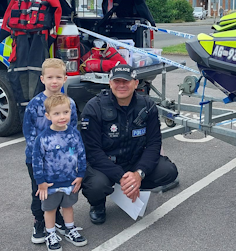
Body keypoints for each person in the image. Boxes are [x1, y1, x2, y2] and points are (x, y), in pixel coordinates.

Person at [80, 64, 178, 224]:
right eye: (116, 81)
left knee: (168, 171)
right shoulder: (94, 107)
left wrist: (139, 174)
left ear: (135, 82)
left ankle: (135, 186)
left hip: (133, 161)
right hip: (104, 165)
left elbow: (154, 144)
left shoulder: (147, 106)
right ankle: (97, 205)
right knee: (96, 185)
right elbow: (92, 151)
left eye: (126, 81)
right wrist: (122, 177)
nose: (121, 85)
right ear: (110, 83)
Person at [23, 58, 78, 244]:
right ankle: (40, 221)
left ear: (65, 78)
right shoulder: (34, 104)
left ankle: (59, 220)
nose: (54, 81)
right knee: (40, 192)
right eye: (50, 77)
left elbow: (74, 131)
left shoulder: (70, 103)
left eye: (58, 77)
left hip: (63, 161)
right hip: (39, 160)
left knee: (61, 191)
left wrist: (72, 158)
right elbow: (29, 133)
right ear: (42, 79)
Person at [33, 93, 87, 250]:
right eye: (57, 113)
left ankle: (70, 229)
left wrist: (80, 175)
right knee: (50, 209)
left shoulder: (74, 134)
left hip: (70, 180)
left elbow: (81, 155)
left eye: (65, 112)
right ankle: (50, 233)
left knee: (68, 206)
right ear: (48, 116)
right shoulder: (43, 138)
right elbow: (37, 162)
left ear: (71, 112)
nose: (62, 117)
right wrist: (41, 183)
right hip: (50, 183)